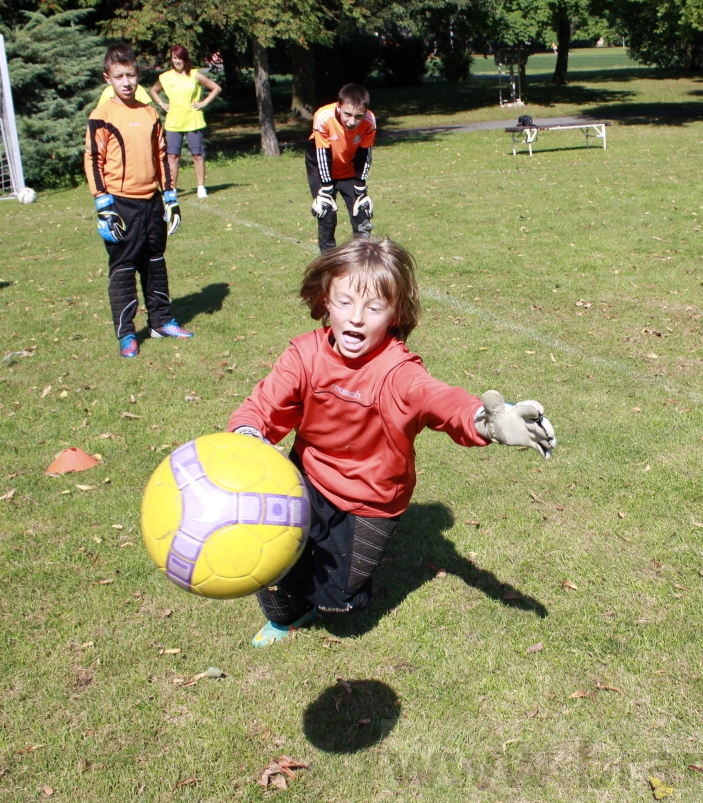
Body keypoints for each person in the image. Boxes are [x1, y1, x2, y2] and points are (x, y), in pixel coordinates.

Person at [227, 237, 556, 647]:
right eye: (345, 302)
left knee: (338, 603)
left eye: (374, 307)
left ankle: (323, 587)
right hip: (305, 478)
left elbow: (439, 398)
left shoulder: (398, 370)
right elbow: (261, 407)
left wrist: (484, 422)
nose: (357, 318)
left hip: (372, 499)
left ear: (395, 313)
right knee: (270, 561)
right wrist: (248, 438)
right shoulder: (304, 355)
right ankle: (286, 617)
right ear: (326, 299)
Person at [84, 43, 193, 358]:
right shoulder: (101, 115)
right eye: (119, 76)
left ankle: (161, 321)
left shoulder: (149, 113)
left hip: (152, 202)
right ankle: (127, 334)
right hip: (120, 205)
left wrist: (170, 196)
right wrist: (103, 205)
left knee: (155, 262)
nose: (126, 82)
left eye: (131, 75)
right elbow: (94, 160)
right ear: (108, 78)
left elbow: (161, 157)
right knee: (123, 267)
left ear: (138, 75)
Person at [307, 83, 376, 252]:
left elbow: (365, 155)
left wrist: (361, 187)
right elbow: (322, 155)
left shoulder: (369, 121)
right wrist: (325, 189)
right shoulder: (323, 116)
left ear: (365, 112)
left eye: (358, 116)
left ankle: (362, 262)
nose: (352, 121)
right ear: (339, 107)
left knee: (361, 215)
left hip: (349, 170)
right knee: (327, 215)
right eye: (348, 114)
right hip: (321, 169)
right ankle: (328, 265)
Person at [150, 45, 222, 199]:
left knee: (197, 155)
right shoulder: (165, 77)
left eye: (180, 58)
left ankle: (201, 188)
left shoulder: (195, 75)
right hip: (174, 122)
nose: (177, 61)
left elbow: (215, 88)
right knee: (172, 156)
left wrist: (203, 103)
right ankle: (172, 189)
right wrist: (162, 104)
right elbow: (154, 91)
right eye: (174, 58)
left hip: (193, 120)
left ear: (185, 59)